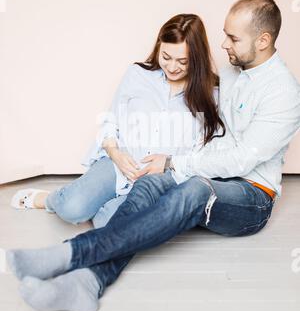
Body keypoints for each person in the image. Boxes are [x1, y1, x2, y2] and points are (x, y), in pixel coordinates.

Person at [7, 0, 300, 311]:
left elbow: (241, 159)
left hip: (251, 196)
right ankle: (87, 283)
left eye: (232, 38)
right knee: (152, 186)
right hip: (208, 173)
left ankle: (68, 254)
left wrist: (174, 161)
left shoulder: (283, 92)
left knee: (192, 187)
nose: (224, 44)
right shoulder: (231, 74)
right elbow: (213, 134)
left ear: (263, 40)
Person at [10, 14, 224, 229]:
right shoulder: (137, 75)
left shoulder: (212, 92)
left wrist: (169, 163)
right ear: (159, 46)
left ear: (197, 58)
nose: (172, 66)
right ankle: (53, 199)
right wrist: (116, 154)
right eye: (166, 56)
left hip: (160, 178)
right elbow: (111, 120)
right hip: (119, 163)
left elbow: (206, 150)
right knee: (72, 208)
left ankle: (94, 202)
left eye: (183, 61)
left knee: (108, 224)